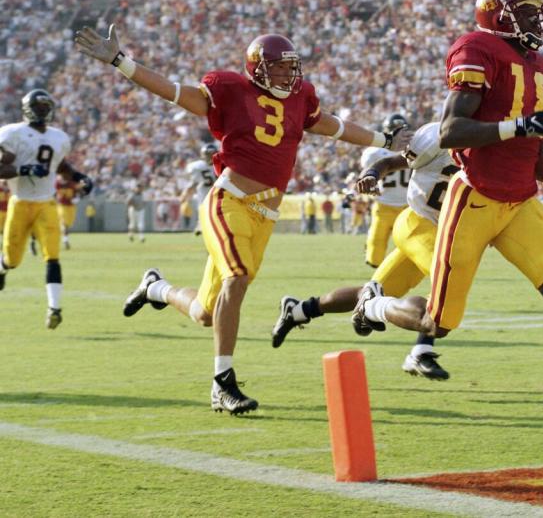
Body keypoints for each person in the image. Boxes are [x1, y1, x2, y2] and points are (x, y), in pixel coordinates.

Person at [337, 0, 543, 442]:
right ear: (500, 14)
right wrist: (521, 127)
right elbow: (452, 131)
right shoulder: (476, 48)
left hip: (520, 199)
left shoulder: (542, 68)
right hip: (475, 197)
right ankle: (376, 304)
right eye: (528, 11)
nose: (538, 19)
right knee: (439, 322)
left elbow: (530, 135)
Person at [74, 25, 410, 415]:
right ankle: (222, 383)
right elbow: (175, 92)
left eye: (291, 68)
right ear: (259, 68)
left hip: (265, 214)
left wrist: (383, 141)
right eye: (281, 69)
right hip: (229, 200)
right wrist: (121, 61)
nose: (289, 76)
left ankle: (156, 289)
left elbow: (332, 126)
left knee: (205, 311)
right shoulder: (230, 89)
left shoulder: (301, 97)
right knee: (237, 278)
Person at [273, 121, 457, 380]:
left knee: (371, 293)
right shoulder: (441, 137)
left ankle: (299, 310)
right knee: (448, 281)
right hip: (420, 224)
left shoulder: (493, 145)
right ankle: (421, 351)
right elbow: (390, 163)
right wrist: (370, 174)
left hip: (443, 233)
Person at [0, 89, 94, 329]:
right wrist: (25, 170)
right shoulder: (13, 133)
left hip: (46, 203)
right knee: (12, 259)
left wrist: (80, 177)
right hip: (20, 201)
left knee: (52, 256)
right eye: (39, 106)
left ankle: (54, 308)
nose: (43, 111)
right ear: (28, 108)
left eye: (46, 106)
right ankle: (3, 268)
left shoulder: (58, 137)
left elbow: (61, 166)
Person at [360, 113, 410, 267]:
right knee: (376, 244)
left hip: (409, 206)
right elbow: (366, 173)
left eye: (401, 130)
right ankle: (376, 274)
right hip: (383, 204)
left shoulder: (416, 148)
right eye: (394, 130)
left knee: (409, 242)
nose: (398, 134)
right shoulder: (374, 152)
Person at [184, 142, 217, 234]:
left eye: (211, 154)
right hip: (214, 192)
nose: (210, 156)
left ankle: (201, 225)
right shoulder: (221, 164)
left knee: (204, 212)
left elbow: (193, 182)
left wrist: (186, 193)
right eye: (208, 154)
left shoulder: (197, 166)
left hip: (205, 192)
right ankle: (202, 226)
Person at [55, 174, 79, 250]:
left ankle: (65, 238)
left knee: (68, 224)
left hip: (71, 207)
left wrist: (77, 198)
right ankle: (65, 240)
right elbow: (52, 193)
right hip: (61, 206)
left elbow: (79, 192)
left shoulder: (72, 183)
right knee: (64, 223)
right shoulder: (57, 184)